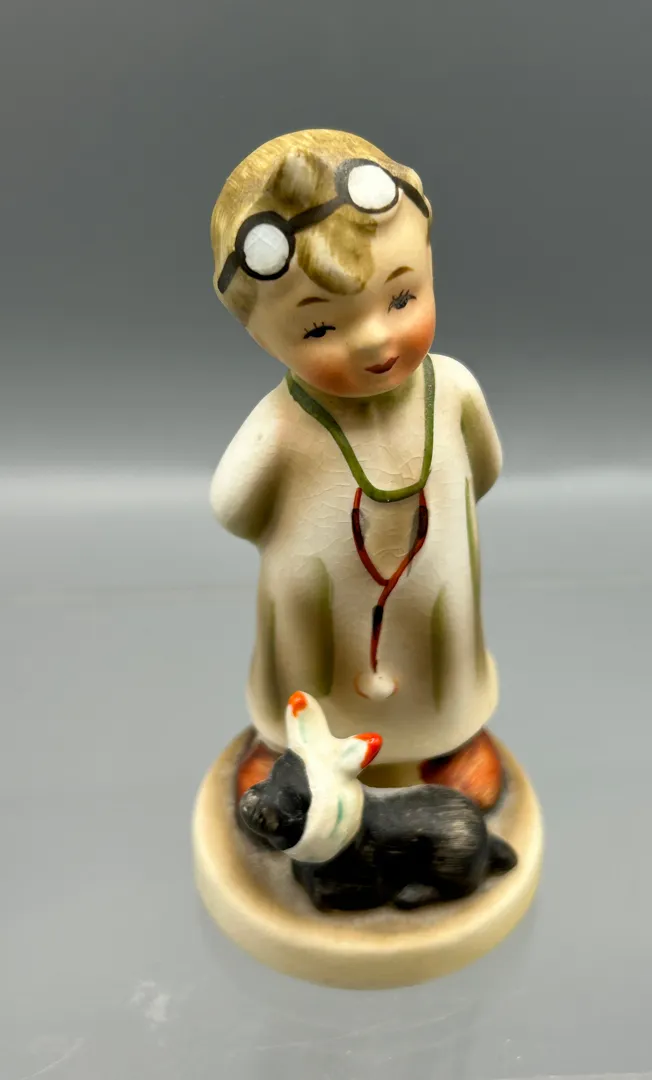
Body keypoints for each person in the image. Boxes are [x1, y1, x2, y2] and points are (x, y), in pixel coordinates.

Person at [210, 129, 504, 810]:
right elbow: (233, 505)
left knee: (442, 657)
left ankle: (449, 740)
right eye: (319, 329)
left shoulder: (452, 391)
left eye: (402, 299)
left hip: (433, 588)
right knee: (309, 673)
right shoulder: (284, 423)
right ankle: (289, 751)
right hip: (317, 607)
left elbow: (483, 469)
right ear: (262, 337)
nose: (374, 339)